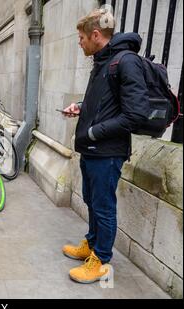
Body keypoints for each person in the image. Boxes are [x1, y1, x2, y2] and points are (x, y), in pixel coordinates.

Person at [61, 9, 149, 283]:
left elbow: (136, 114)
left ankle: (101, 259)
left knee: (104, 207)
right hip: (92, 150)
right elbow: (104, 102)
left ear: (96, 35)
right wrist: (81, 106)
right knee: (92, 200)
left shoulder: (126, 62)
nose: (80, 42)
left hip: (107, 152)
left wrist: (95, 132)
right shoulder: (103, 61)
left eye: (81, 37)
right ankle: (91, 243)